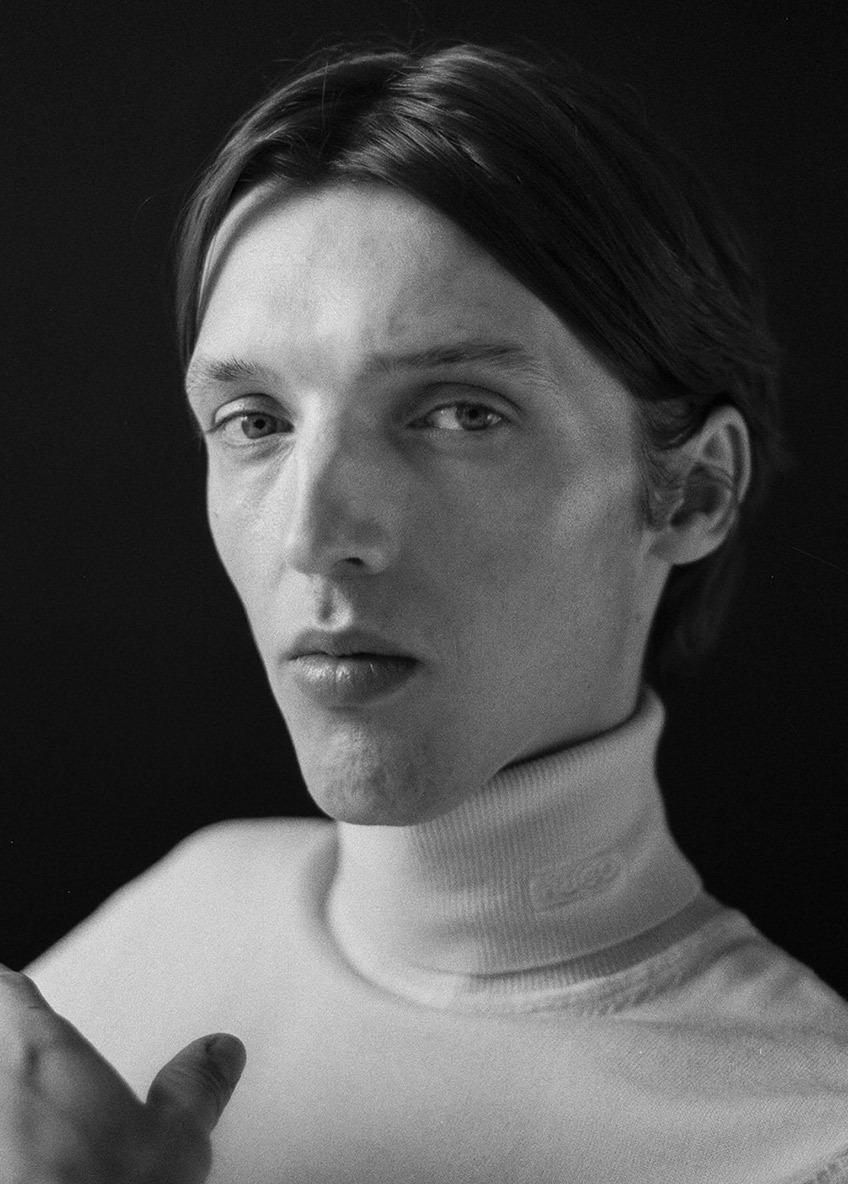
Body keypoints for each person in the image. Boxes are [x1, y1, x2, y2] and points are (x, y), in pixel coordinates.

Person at [3, 37, 847, 1182]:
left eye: (459, 413)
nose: (311, 535)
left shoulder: (803, 1136)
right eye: (255, 420)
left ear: (692, 491)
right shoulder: (176, 911)